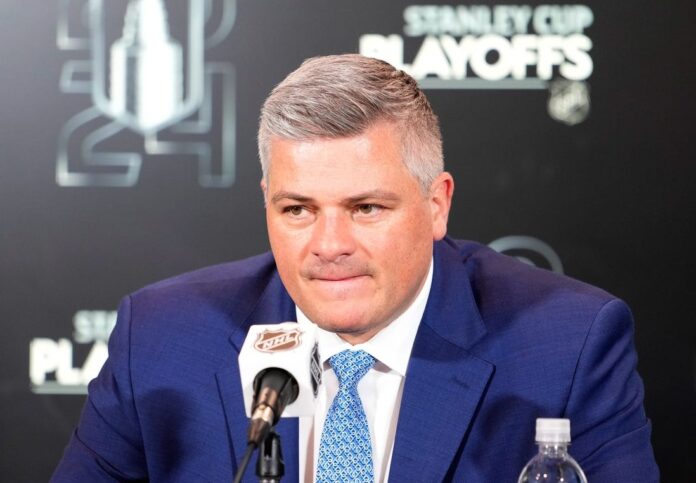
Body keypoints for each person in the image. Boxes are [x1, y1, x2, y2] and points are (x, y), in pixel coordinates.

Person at [51, 54, 659, 482]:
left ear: (436, 204)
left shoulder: (567, 345)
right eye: (297, 209)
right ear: (267, 202)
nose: (329, 244)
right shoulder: (161, 339)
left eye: (366, 208)